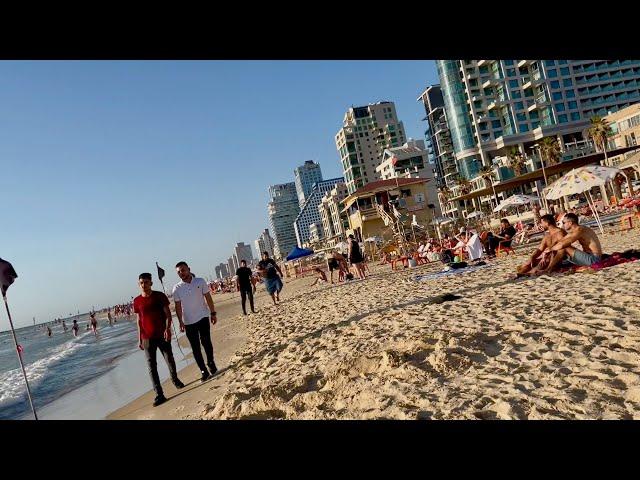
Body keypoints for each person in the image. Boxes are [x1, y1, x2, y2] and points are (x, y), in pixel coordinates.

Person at [133, 273, 184, 407]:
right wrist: (139, 339)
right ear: (139, 284)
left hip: (162, 334)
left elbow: (168, 314)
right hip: (147, 338)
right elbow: (138, 321)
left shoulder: (159, 296)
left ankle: (174, 379)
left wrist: (168, 329)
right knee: (151, 366)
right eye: (141, 283)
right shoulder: (137, 301)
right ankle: (159, 394)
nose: (143, 285)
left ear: (151, 283)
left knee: (169, 359)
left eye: (146, 282)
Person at [172, 261, 218, 382]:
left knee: (206, 342)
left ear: (188, 269)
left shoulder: (200, 281)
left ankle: (211, 362)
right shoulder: (177, 288)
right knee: (195, 348)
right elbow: (177, 306)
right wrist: (180, 322)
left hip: (203, 316)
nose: (181, 273)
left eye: (183, 270)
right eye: (178, 272)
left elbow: (208, 298)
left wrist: (213, 313)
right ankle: (203, 371)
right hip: (188, 322)